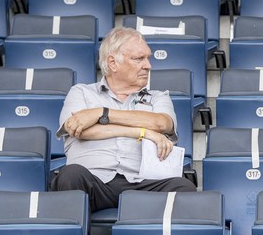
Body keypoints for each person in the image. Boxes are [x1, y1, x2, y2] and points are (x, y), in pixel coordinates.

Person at [51, 27, 196, 212]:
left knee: (184, 187)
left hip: (144, 184)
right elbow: (78, 129)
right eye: (139, 59)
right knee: (69, 175)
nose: (148, 66)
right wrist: (140, 132)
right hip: (93, 181)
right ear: (113, 63)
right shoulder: (81, 92)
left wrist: (101, 114)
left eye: (148, 58)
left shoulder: (159, 97)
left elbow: (161, 123)